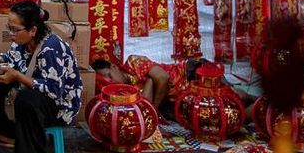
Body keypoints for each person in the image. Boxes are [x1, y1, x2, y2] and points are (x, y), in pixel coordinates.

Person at [0, 1, 82, 153]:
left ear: (32, 30)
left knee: (26, 99)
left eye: (15, 30)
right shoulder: (23, 40)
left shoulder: (51, 48)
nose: (11, 34)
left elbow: (53, 90)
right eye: (9, 28)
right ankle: (8, 134)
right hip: (37, 91)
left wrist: (17, 76)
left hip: (60, 105)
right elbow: (11, 57)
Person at [92, 56, 254, 117]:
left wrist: (153, 110)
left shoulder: (133, 62)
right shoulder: (125, 95)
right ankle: (261, 109)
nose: (113, 83)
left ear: (113, 66)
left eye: (110, 76)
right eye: (108, 84)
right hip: (178, 101)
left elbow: (163, 77)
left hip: (189, 74)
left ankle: (260, 101)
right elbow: (144, 108)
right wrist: (149, 81)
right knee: (225, 116)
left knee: (234, 99)